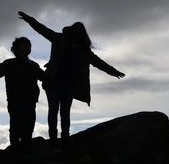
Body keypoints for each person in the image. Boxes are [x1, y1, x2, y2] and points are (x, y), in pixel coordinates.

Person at [18, 11, 125, 144]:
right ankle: (53, 139)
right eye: (76, 31)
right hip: (53, 82)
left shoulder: (84, 49)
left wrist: (113, 72)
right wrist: (29, 19)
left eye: (80, 32)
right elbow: (42, 29)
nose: (77, 34)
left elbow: (98, 62)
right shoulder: (59, 39)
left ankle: (65, 138)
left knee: (64, 112)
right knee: (54, 109)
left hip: (69, 84)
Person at [0, 37, 45, 153]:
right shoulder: (10, 63)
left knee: (28, 127)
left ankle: (26, 151)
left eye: (28, 45)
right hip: (15, 100)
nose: (26, 48)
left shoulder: (33, 65)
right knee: (16, 126)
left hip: (30, 101)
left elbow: (46, 77)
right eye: (23, 45)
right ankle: (15, 152)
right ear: (16, 49)